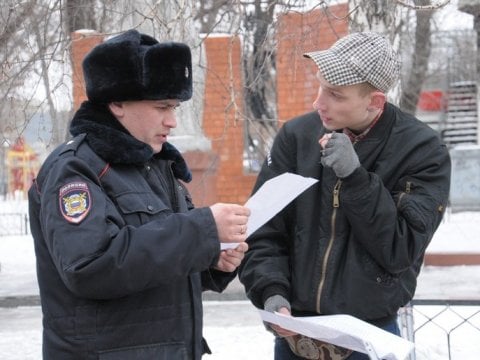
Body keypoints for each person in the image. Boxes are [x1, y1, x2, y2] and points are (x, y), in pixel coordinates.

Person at [28, 29, 250, 360]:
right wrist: (200, 230)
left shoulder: (156, 165)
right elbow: (89, 268)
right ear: (117, 102)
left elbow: (153, 269)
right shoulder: (75, 170)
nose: (173, 120)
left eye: (174, 106)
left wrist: (212, 261)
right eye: (162, 106)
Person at [238, 32, 451, 359]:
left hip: (368, 338)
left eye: (335, 94)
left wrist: (355, 178)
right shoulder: (297, 137)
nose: (318, 103)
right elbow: (264, 229)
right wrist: (271, 293)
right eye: (321, 86)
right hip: (295, 334)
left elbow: (400, 249)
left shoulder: (421, 149)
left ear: (374, 102)